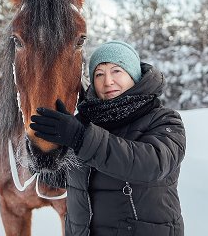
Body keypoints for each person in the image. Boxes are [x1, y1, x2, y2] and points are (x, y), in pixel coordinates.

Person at [30, 40, 186, 236]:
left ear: (134, 75)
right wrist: (42, 153)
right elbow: (65, 178)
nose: (108, 81)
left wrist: (80, 138)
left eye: (116, 71)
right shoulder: (86, 123)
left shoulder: (164, 119)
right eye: (99, 74)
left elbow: (152, 165)